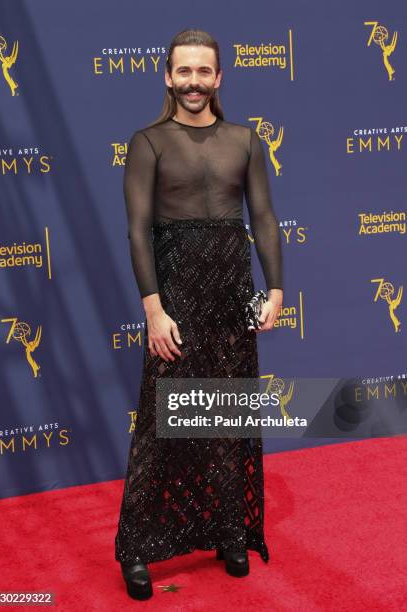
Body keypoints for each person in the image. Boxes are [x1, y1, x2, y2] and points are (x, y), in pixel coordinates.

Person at [115, 28, 283, 601]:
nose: (193, 82)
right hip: (177, 297)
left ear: (219, 78)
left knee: (226, 417)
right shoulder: (149, 142)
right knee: (163, 423)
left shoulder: (245, 139)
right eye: (183, 72)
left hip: (232, 293)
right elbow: (138, 231)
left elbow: (262, 217)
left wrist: (276, 288)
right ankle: (137, 547)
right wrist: (153, 308)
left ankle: (228, 529)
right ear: (168, 76)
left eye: (203, 72)